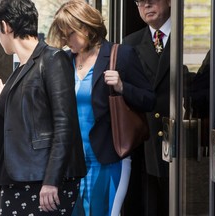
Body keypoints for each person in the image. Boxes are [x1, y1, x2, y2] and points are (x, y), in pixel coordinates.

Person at [0, 0, 87, 215]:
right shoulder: (19, 71)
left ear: (6, 26)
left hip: (44, 184)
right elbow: (17, 139)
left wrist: (51, 181)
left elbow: (65, 125)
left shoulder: (53, 59)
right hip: (21, 181)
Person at [46, 1, 156, 215]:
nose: (65, 41)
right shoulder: (64, 61)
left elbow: (149, 100)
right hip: (70, 160)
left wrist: (123, 86)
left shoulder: (120, 55)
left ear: (86, 28)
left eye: (69, 34)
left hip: (108, 158)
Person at [122, 0, 171, 215]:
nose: (146, 5)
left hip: (183, 138)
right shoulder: (129, 44)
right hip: (146, 141)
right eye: (140, 1)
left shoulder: (188, 37)